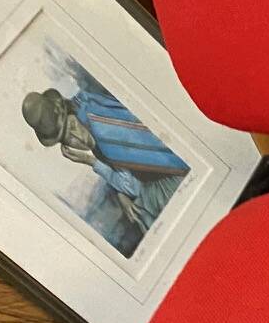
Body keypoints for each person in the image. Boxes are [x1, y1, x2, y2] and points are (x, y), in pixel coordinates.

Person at [21, 74, 188, 256]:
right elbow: (126, 169)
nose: (76, 137)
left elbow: (133, 187)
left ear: (70, 113)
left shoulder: (99, 128)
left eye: (72, 126)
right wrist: (120, 193)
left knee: (141, 209)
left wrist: (91, 161)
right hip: (171, 165)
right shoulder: (89, 110)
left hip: (177, 174)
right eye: (68, 138)